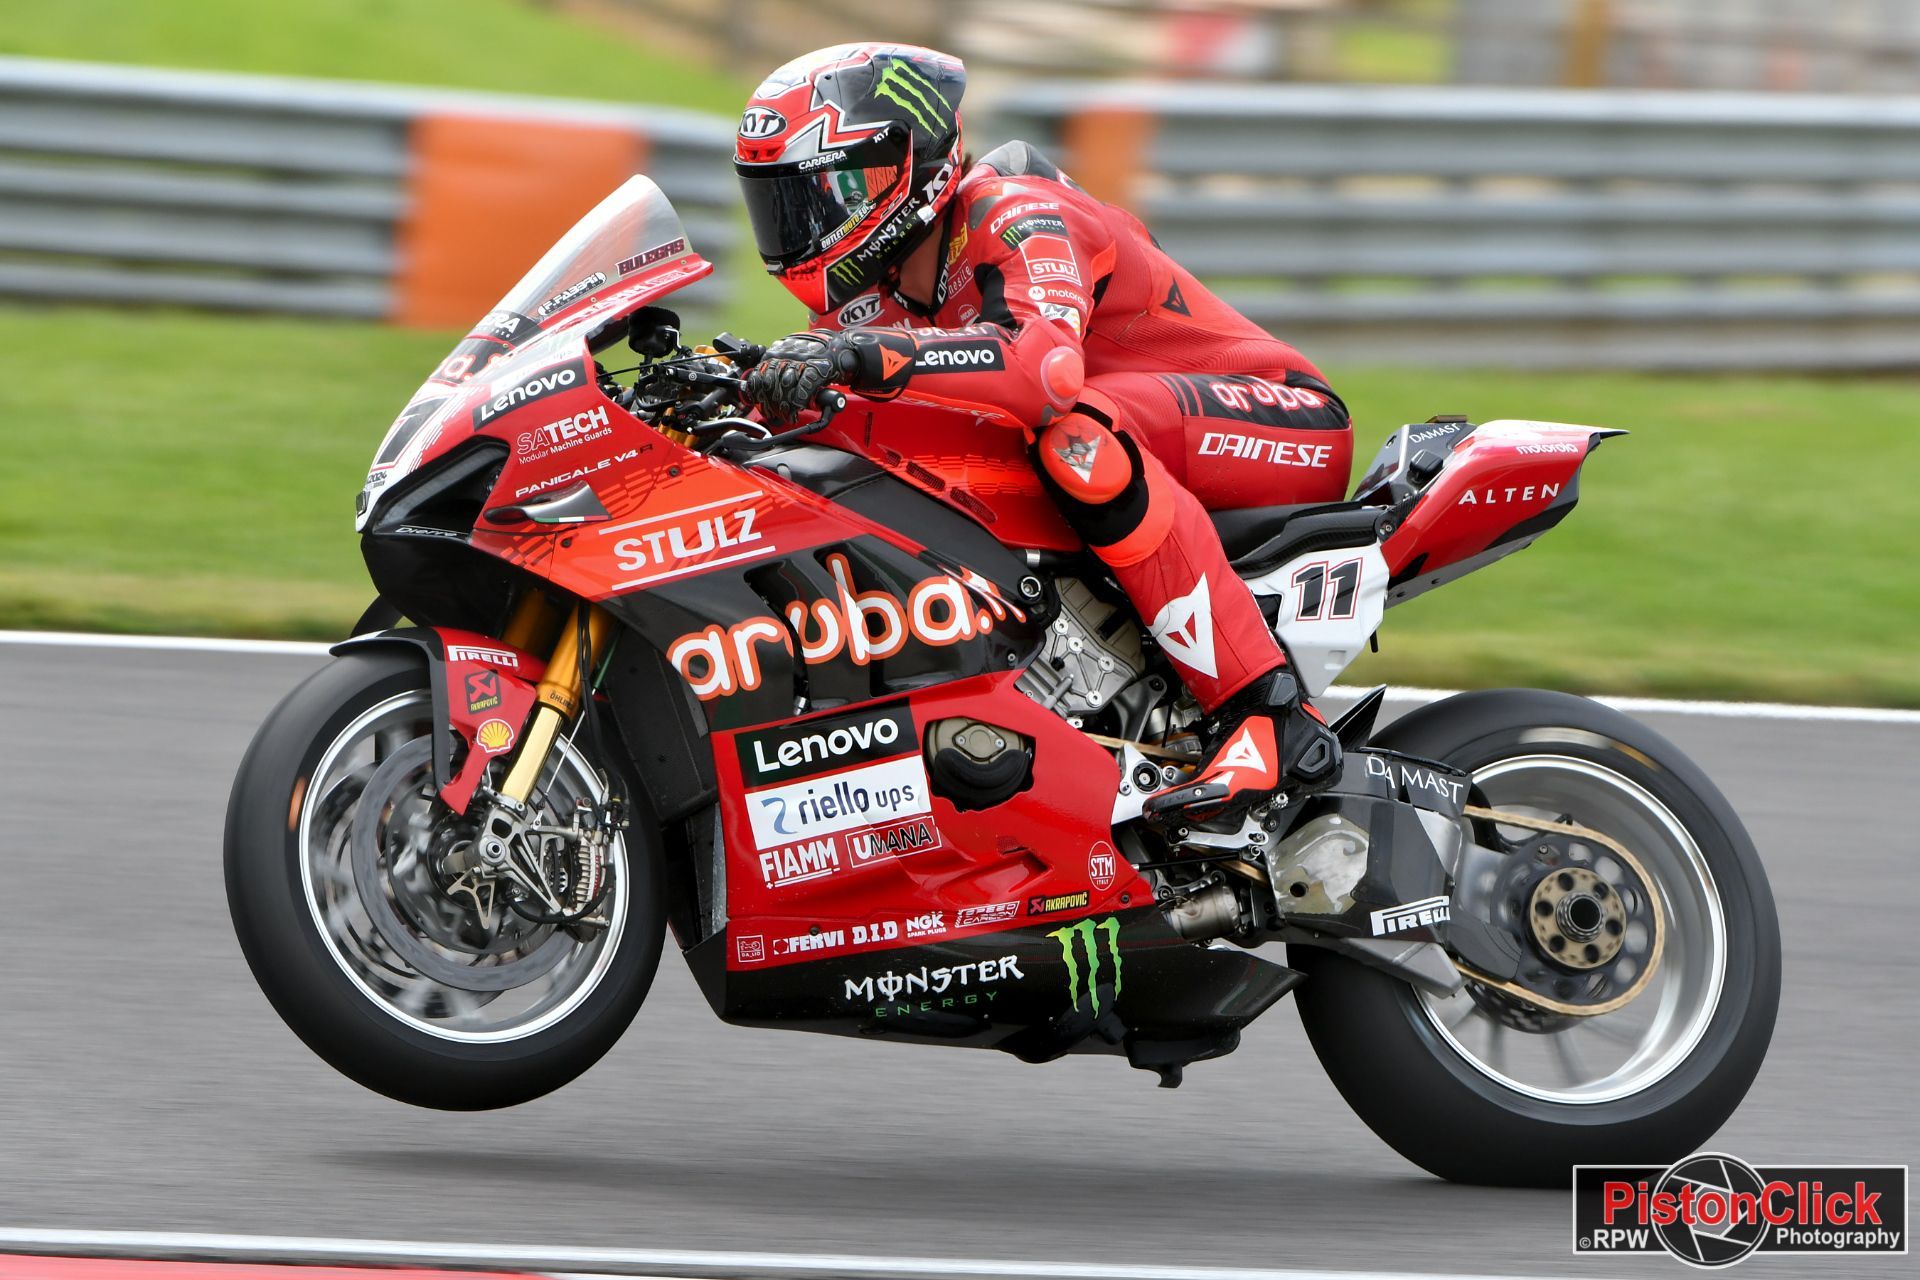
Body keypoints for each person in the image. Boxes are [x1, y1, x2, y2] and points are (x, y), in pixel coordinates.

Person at [734, 43, 1347, 824]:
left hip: (1276, 416)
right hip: (1162, 447)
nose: (800, 225)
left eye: (822, 195)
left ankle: (1270, 717)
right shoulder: (873, 300)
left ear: (900, 168)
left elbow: (1041, 370)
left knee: (1077, 433)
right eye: (781, 204)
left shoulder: (1017, 212)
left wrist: (858, 357)